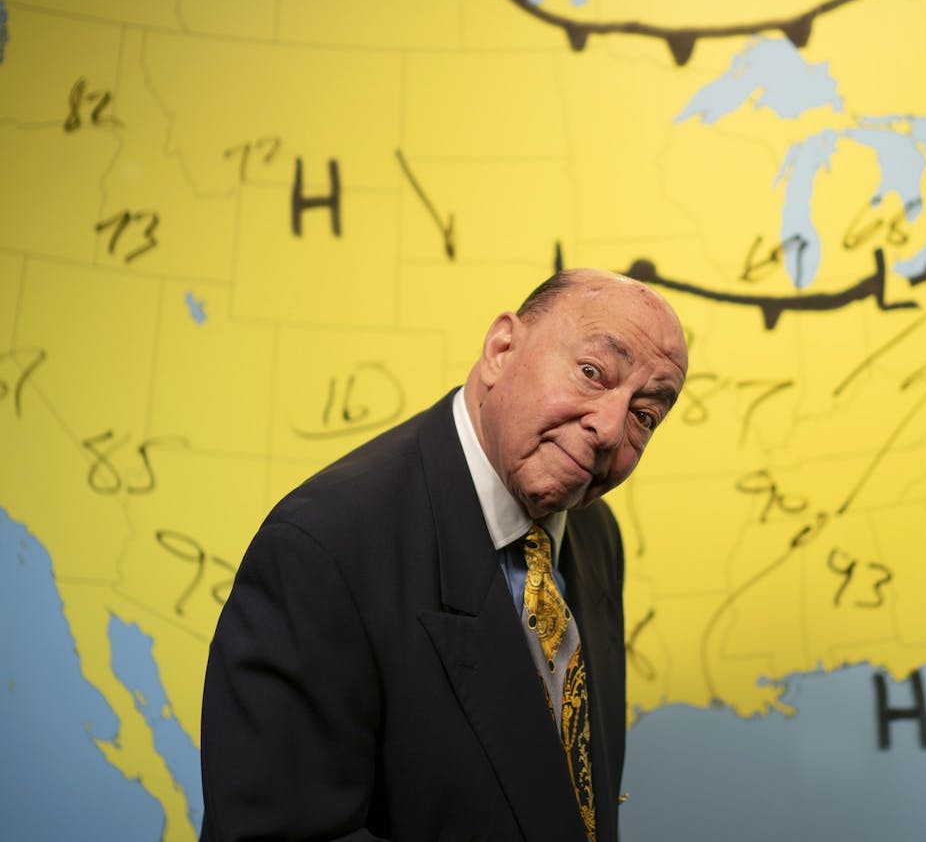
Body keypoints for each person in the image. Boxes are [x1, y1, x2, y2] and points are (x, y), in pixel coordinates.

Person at [200, 268, 689, 842]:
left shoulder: (595, 534)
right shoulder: (322, 549)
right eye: (591, 373)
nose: (609, 429)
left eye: (644, 416)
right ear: (501, 348)